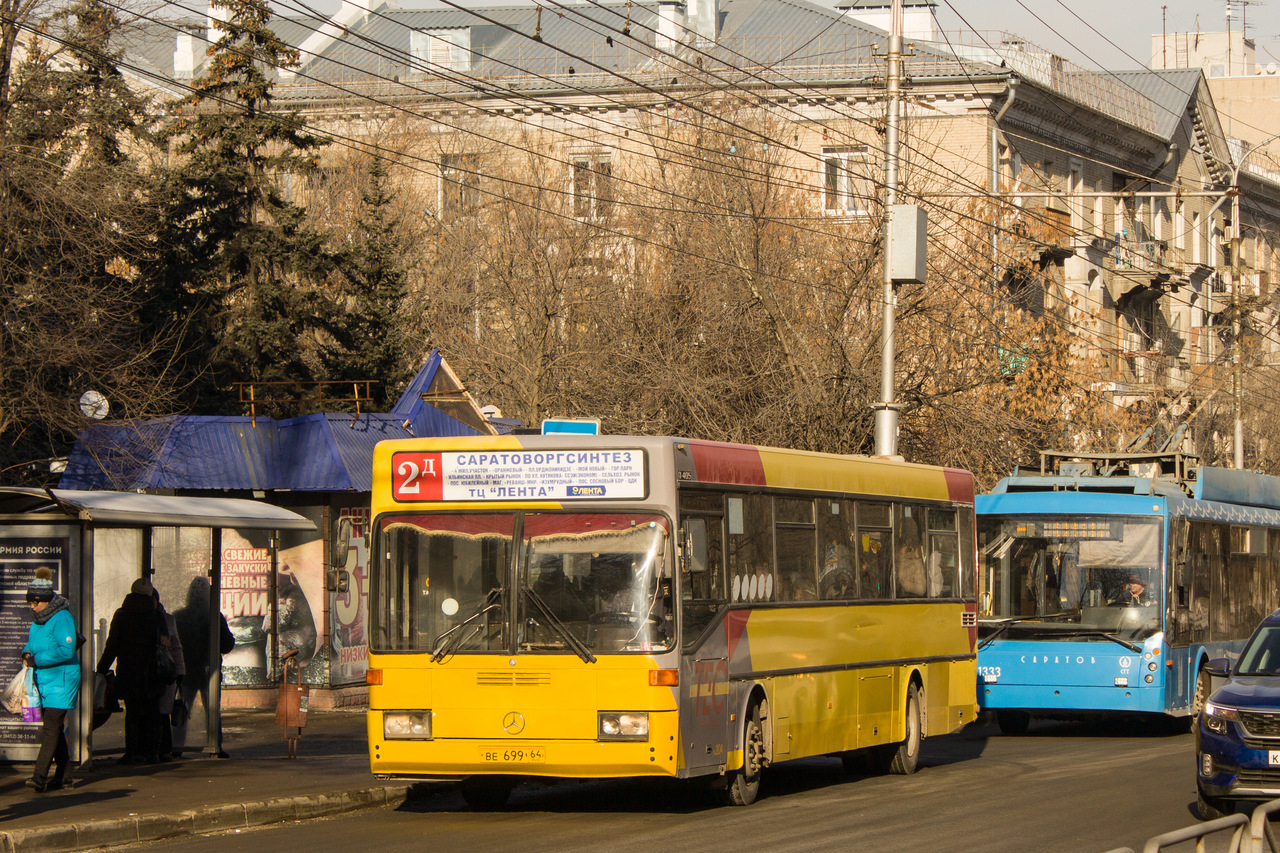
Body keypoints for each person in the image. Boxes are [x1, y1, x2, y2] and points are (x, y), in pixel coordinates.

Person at [21, 567, 80, 792]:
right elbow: (32, 644)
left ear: (46, 601)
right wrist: (26, 654)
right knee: (52, 728)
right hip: (44, 681)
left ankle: (39, 776)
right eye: (30, 602)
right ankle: (64, 777)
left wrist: (37, 659)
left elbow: (66, 650)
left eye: (35, 602)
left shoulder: (62, 617)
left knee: (51, 727)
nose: (32, 607)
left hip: (62, 680)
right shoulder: (38, 620)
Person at [96, 577, 163, 764]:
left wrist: (102, 668)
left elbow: (112, 645)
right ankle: (153, 753)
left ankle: (131, 753)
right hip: (152, 671)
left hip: (129, 670)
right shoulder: (156, 615)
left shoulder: (122, 614)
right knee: (153, 712)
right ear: (151, 594)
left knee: (132, 713)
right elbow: (165, 642)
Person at [171, 578, 235, 759]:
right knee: (213, 711)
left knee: (183, 710)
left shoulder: (179, 616)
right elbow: (227, 645)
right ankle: (216, 746)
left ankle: (176, 747)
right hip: (209, 671)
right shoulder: (214, 616)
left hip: (187, 672)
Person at [154, 589, 185, 761]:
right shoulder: (166, 619)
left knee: (162, 710)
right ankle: (163, 749)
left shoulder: (167, 619)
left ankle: (160, 749)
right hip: (164, 671)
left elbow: (176, 647)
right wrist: (179, 671)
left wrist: (179, 671)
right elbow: (177, 647)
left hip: (164, 671)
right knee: (161, 712)